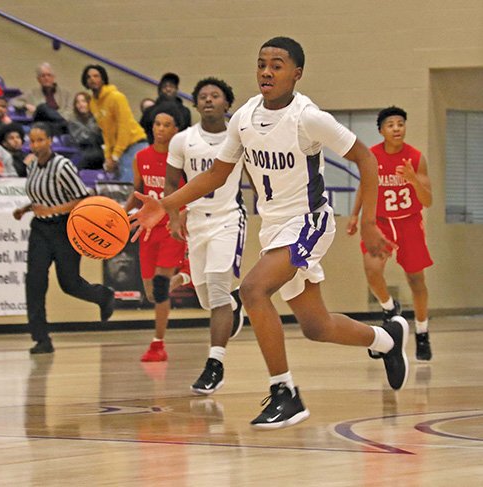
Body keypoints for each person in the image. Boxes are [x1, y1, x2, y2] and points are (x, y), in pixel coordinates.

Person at [130, 37, 410, 430]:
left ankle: (285, 393)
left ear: (296, 73)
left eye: (277, 65)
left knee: (252, 290)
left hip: (309, 221)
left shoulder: (308, 117)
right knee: (317, 327)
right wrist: (168, 203)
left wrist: (368, 221)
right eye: (262, 63)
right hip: (275, 227)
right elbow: (216, 174)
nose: (266, 71)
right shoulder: (244, 117)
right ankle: (387, 340)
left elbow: (365, 158)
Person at [164, 77, 246, 395]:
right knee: (206, 298)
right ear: (195, 104)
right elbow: (172, 183)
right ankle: (235, 303)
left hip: (229, 218)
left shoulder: (240, 139)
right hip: (195, 222)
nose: (208, 99)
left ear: (227, 103)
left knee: (215, 286)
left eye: (215, 95)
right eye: (202, 96)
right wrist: (174, 215)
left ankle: (215, 364)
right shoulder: (182, 140)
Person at [12, 122, 115, 354]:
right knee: (35, 282)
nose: (36, 145)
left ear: (50, 141)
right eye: (33, 140)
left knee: (69, 283)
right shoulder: (32, 167)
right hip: (40, 229)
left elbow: (82, 198)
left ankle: (104, 295)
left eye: (40, 140)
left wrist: (52, 210)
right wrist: (26, 209)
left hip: (64, 228)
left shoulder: (62, 166)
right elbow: (42, 198)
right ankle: (41, 339)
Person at [347, 106, 433, 361]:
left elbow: (428, 200)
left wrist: (412, 179)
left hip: (408, 223)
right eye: (391, 124)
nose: (396, 128)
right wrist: (355, 215)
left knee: (416, 281)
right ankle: (389, 307)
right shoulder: (371, 156)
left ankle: (422, 330)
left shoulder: (416, 158)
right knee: (372, 271)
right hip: (381, 223)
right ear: (382, 130)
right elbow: (364, 187)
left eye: (400, 123)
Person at [124, 104, 186, 362]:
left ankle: (157, 344)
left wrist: (183, 215)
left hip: (172, 226)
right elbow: (138, 192)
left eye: (166, 125)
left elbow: (194, 190)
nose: (160, 129)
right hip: (149, 228)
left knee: (160, 287)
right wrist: (121, 214)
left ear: (176, 130)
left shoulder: (182, 158)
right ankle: (185, 276)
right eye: (157, 124)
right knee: (151, 293)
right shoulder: (141, 158)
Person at [82, 64, 148, 182]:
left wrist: (115, 155)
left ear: (103, 79)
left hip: (135, 145)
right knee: (118, 188)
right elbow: (105, 132)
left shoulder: (117, 97)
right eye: (89, 77)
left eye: (96, 76)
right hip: (119, 150)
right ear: (85, 82)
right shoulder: (92, 104)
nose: (92, 79)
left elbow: (124, 127)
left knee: (128, 186)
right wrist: (108, 157)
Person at [10, 62, 71, 134]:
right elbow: (12, 101)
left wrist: (59, 117)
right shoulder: (32, 93)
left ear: (53, 77)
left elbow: (70, 110)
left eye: (49, 75)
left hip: (59, 125)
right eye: (43, 76)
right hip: (42, 124)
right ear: (38, 79)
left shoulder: (65, 93)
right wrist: (25, 105)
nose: (46, 78)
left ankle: (61, 123)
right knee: (42, 107)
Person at [140, 72, 192, 144]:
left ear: (176, 89)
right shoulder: (149, 111)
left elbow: (187, 135)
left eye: (171, 86)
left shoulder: (185, 111)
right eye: (165, 86)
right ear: (160, 90)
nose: (168, 89)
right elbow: (142, 133)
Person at [67, 92, 105, 170]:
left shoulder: (96, 118)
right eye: (78, 102)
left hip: (100, 151)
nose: (80, 104)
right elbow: (81, 139)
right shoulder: (73, 121)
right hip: (83, 151)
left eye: (83, 101)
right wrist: (96, 130)